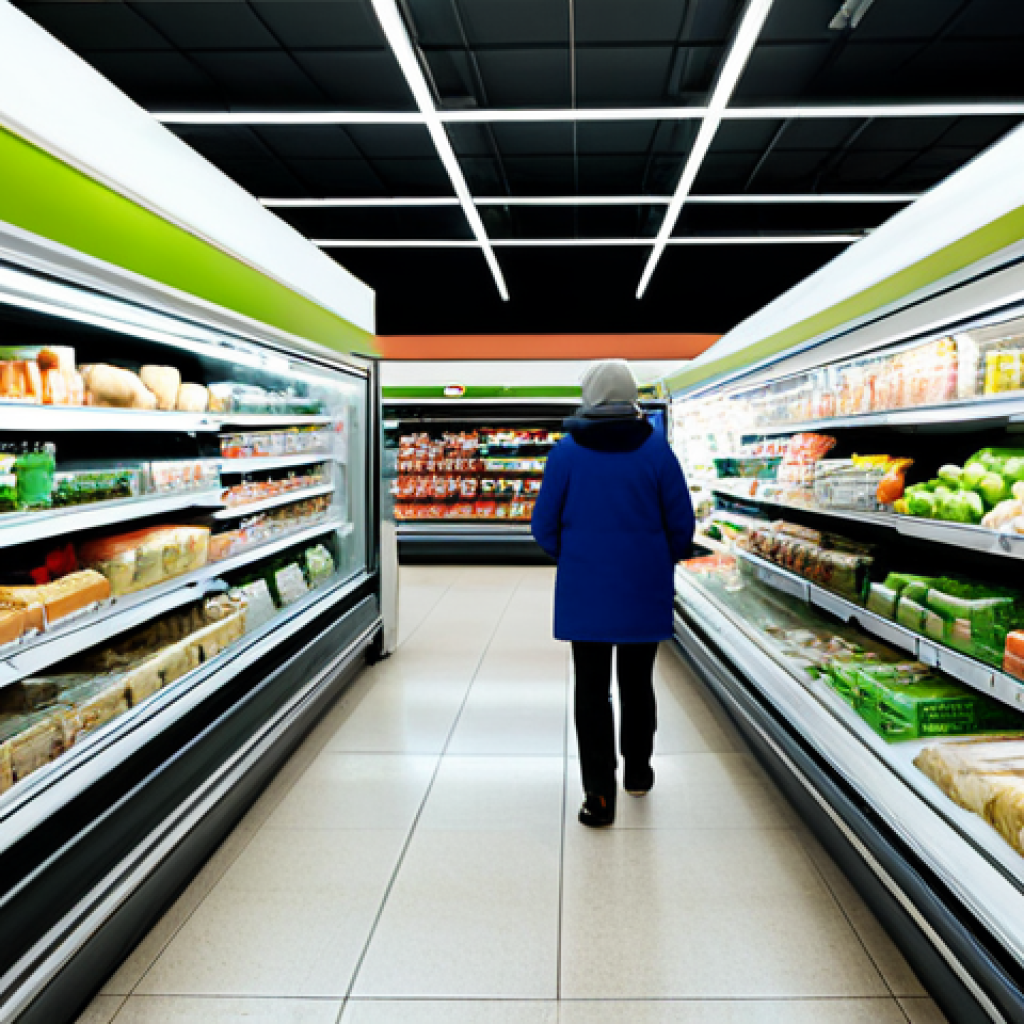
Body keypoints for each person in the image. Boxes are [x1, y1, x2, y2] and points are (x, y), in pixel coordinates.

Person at [531, 360, 694, 828]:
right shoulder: (657, 451)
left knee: (591, 690)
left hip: (586, 591)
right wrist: (659, 558)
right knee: (637, 684)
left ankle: (598, 795)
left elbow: (543, 526)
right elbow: (681, 526)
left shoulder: (565, 453)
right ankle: (638, 772)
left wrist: (578, 555)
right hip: (644, 588)